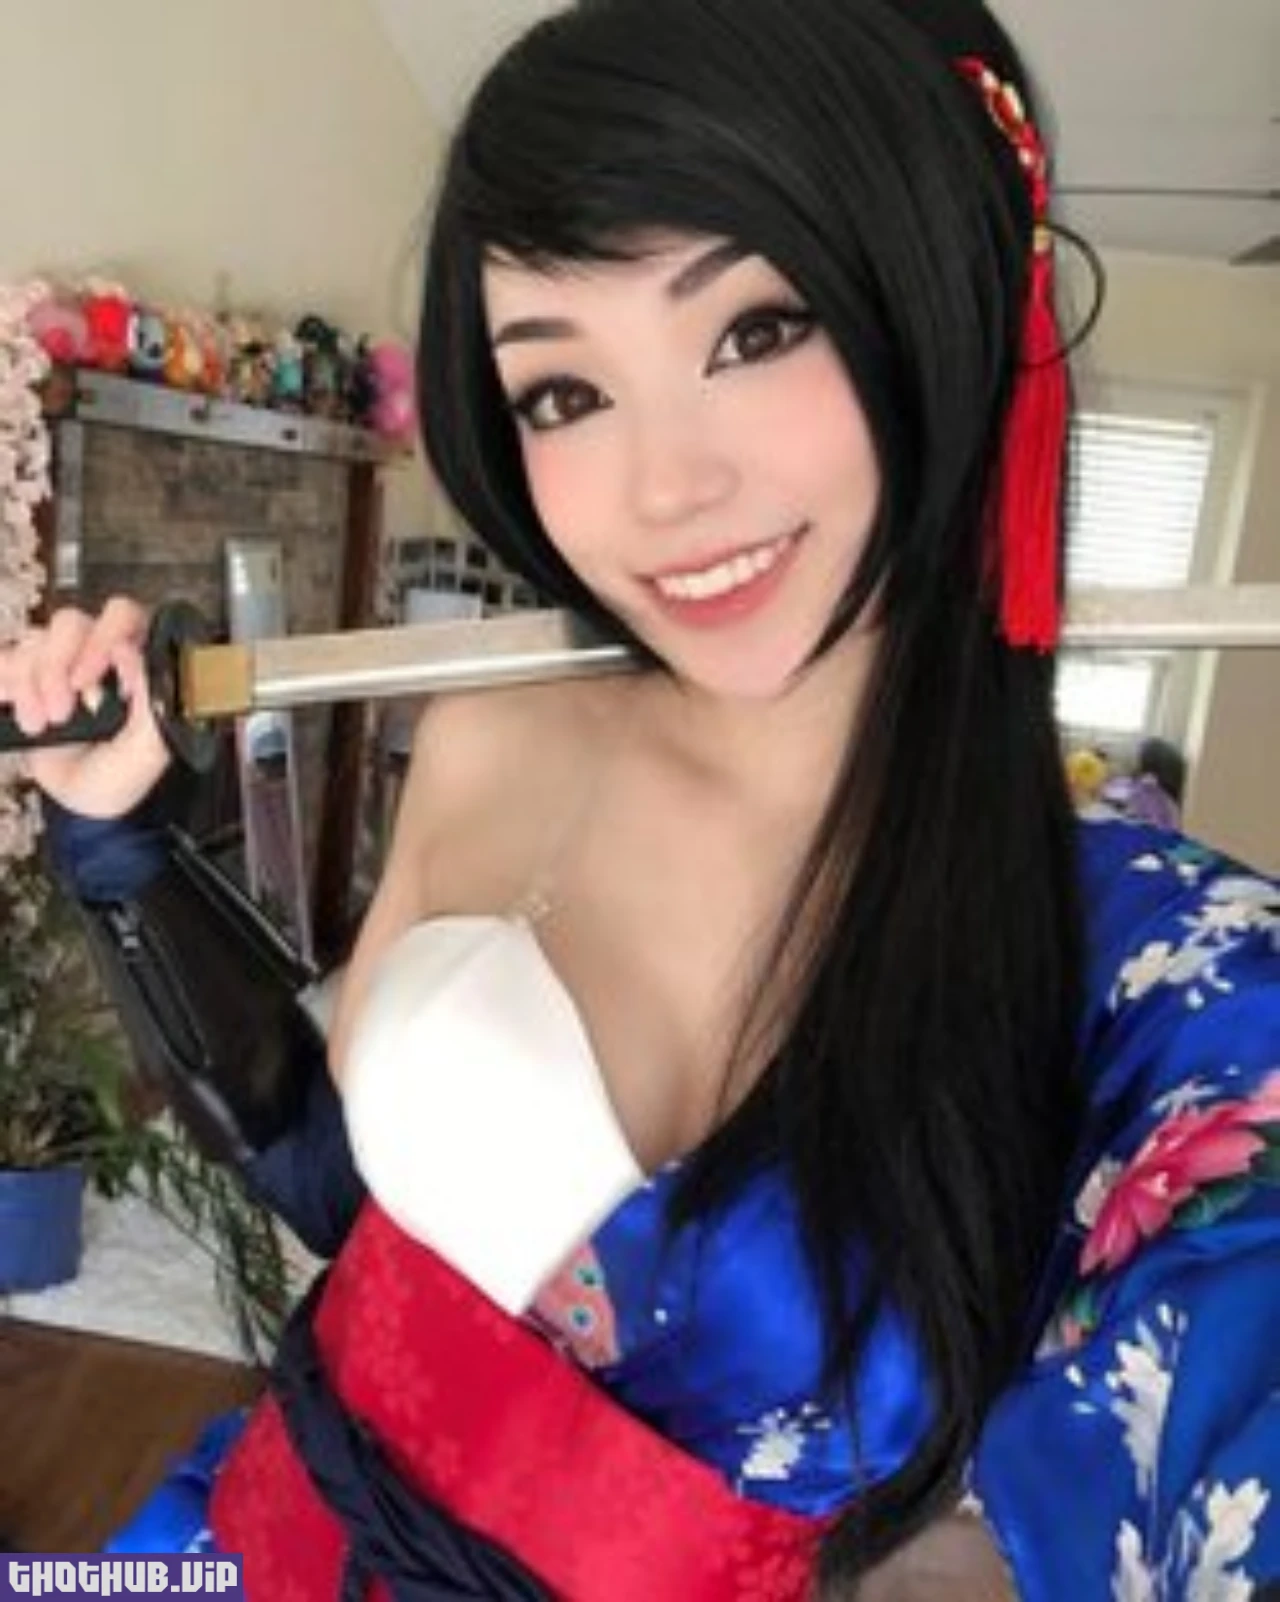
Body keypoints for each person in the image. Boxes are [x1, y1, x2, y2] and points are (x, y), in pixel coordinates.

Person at [2, 0, 1278, 1595]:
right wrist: (120, 839)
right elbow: (339, 1178)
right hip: (245, 1541)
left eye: (755, 330)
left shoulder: (1155, 966)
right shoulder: (496, 738)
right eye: (564, 393)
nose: (663, 490)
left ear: (935, 310)